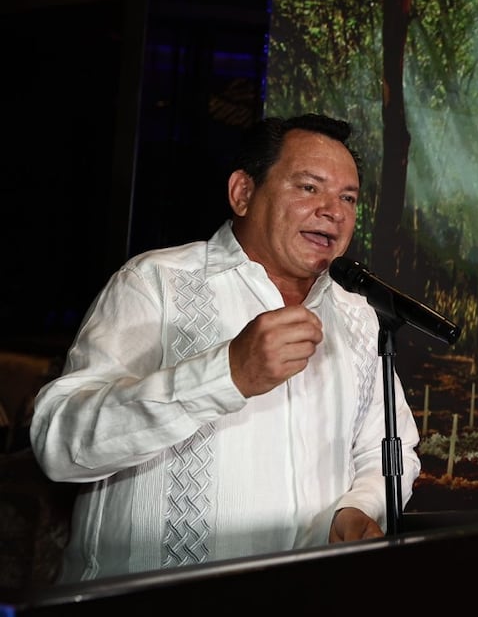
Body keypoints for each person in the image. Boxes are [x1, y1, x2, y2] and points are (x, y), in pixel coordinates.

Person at [29, 113, 422, 582]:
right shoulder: (157, 282)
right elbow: (59, 442)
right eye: (309, 188)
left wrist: (361, 506)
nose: (333, 211)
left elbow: (388, 449)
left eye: (348, 198)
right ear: (243, 193)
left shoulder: (356, 314)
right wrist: (226, 374)